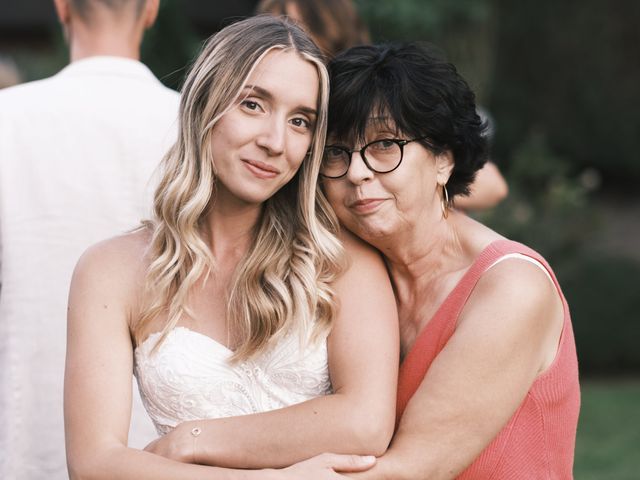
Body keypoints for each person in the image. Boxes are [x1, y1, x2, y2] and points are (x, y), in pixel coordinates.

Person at [64, 15, 398, 479]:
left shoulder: (341, 261)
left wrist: (190, 439)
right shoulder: (110, 270)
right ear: (205, 104)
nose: (275, 142)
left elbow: (365, 423)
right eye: (253, 104)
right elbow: (95, 464)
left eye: (300, 121)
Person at [319, 43, 580, 479]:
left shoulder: (511, 288)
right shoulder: (354, 275)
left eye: (384, 145)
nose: (356, 172)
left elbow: (408, 471)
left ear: (443, 159)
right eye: (335, 152)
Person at [0, 0, 179, 478]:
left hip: (23, 434)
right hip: (164, 446)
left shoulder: (7, 118)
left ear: (61, 8)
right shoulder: (191, 123)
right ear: (151, 10)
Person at [257, 0, 508, 210]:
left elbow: (492, 186)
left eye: (299, 31)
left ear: (335, 37)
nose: (284, 42)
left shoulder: (373, 96)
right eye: (267, 30)